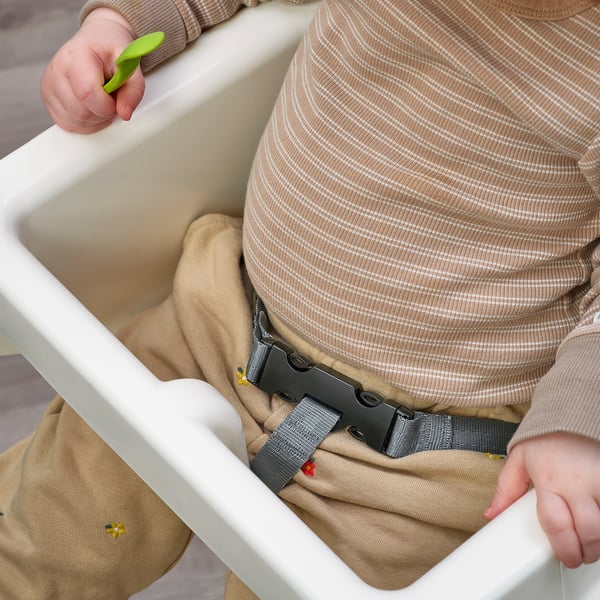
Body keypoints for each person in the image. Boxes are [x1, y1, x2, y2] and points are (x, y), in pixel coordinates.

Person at [2, 0, 599, 597]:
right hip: (215, 325)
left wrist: (577, 419)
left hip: (420, 471)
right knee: (48, 533)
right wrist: (122, 26)